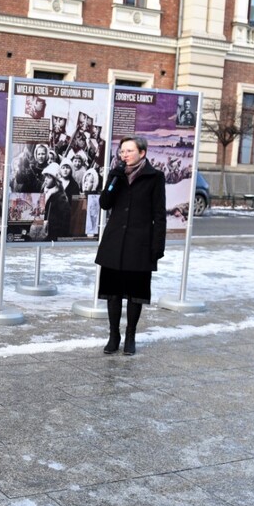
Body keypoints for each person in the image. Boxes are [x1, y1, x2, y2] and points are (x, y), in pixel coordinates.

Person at [95, 136, 166, 356]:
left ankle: (131, 336)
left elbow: (159, 214)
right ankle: (113, 335)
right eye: (122, 151)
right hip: (115, 242)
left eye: (129, 151)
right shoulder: (116, 174)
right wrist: (112, 180)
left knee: (136, 293)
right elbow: (105, 204)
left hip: (140, 243)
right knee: (113, 293)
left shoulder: (155, 177)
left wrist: (157, 245)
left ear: (142, 153)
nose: (124, 155)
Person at [40, 162, 70, 240]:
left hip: (53, 235)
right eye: (45, 176)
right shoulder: (43, 191)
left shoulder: (60, 197)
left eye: (49, 177)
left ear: (55, 179)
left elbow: (64, 219)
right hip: (41, 232)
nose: (46, 179)